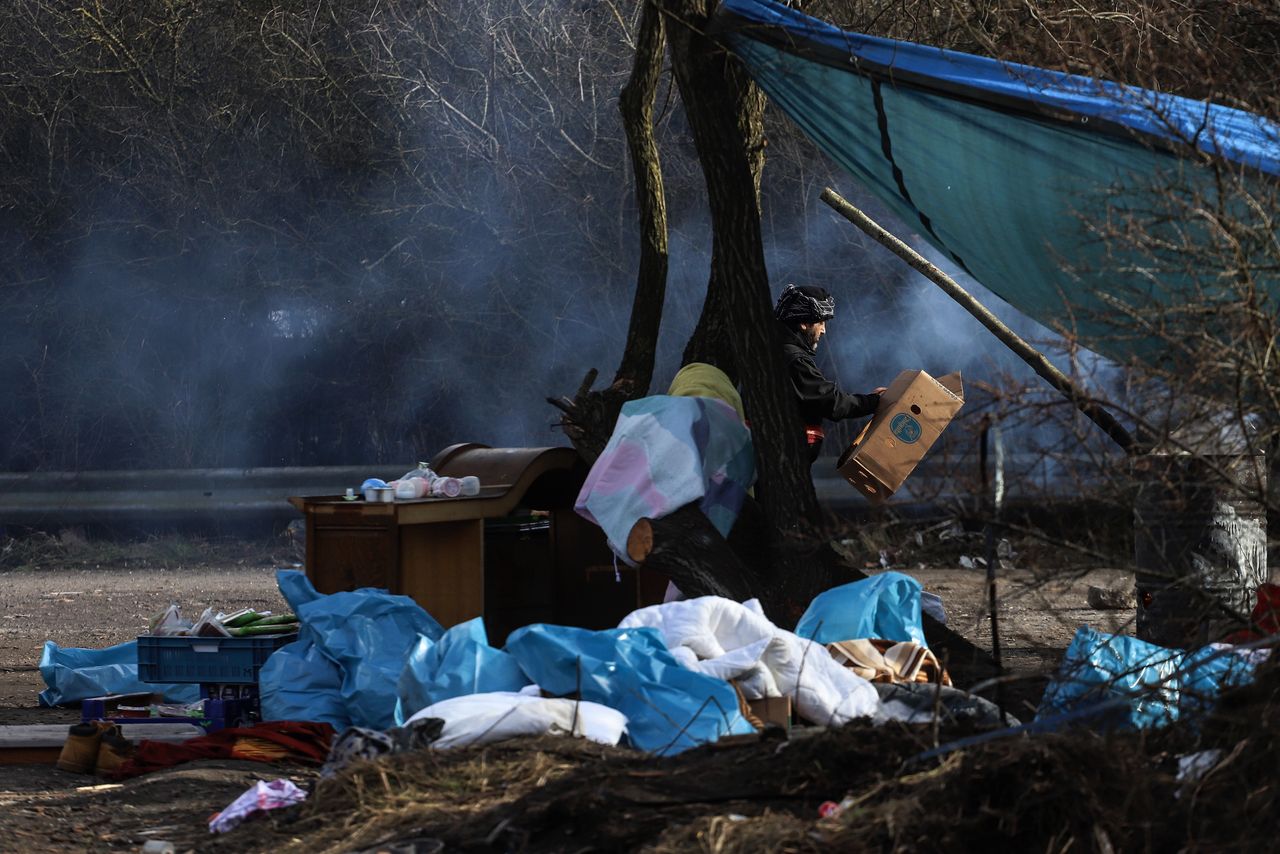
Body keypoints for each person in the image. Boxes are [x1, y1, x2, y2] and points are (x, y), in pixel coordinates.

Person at [774, 283, 886, 463]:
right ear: (804, 323)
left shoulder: (778, 352)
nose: (824, 330)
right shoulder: (793, 359)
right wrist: (875, 402)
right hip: (782, 460)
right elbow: (829, 402)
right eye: (820, 322)